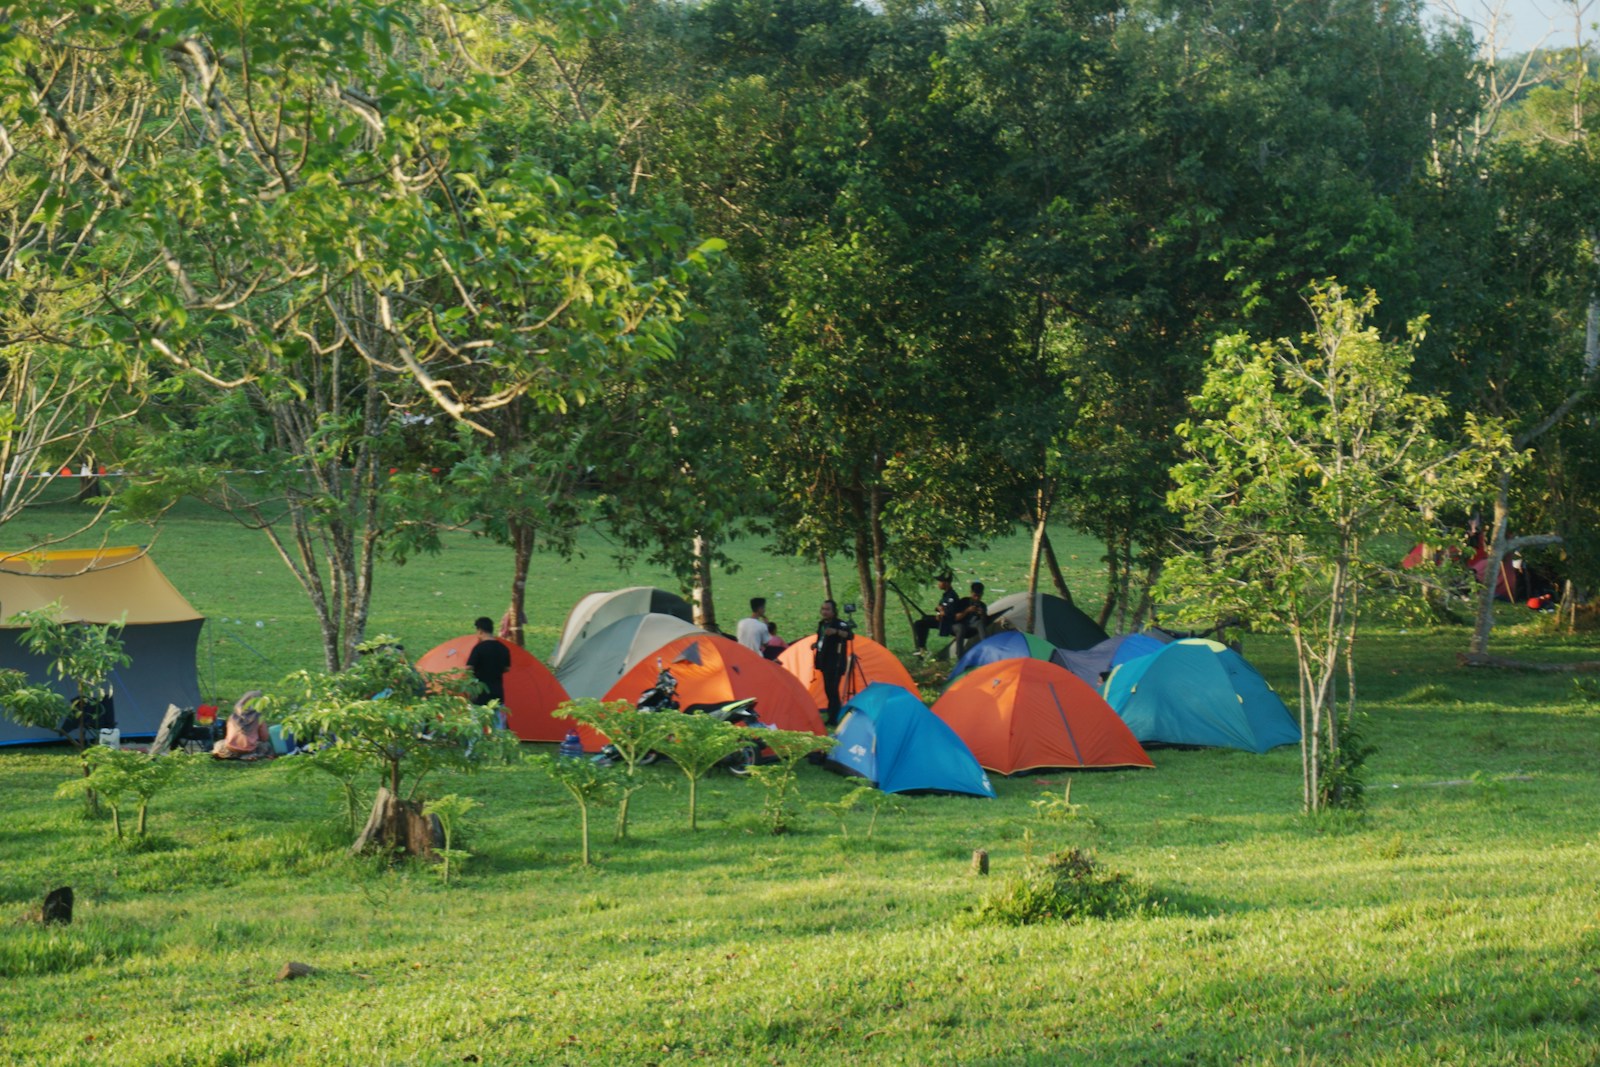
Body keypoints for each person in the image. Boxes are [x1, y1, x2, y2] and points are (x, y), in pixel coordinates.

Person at [465, 616, 511, 728]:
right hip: (497, 690)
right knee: (498, 722)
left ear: (480, 631)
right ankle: (499, 743)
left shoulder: (479, 648)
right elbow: (507, 669)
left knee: (475, 721)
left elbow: (469, 668)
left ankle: (472, 745)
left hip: (480, 691)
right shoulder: (503, 648)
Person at [813, 600, 853, 727]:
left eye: (828, 609)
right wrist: (816, 645)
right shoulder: (821, 624)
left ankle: (833, 717)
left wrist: (836, 632)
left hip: (835, 662)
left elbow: (850, 636)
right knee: (828, 690)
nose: (825, 612)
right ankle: (831, 714)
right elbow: (821, 639)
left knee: (833, 690)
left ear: (834, 611)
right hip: (824, 661)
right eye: (823, 609)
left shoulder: (839, 623)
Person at [213, 690, 272, 760]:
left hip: (230, 748)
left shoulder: (232, 717)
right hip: (249, 749)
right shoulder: (259, 718)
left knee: (219, 744)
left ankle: (223, 754)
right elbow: (264, 737)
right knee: (266, 745)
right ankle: (249, 756)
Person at [911, 573, 960, 657]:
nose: (938, 584)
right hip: (942, 620)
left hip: (947, 623)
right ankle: (922, 648)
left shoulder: (951, 596)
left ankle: (922, 649)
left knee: (919, 624)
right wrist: (939, 611)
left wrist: (941, 611)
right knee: (925, 618)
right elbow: (941, 608)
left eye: (940, 582)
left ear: (946, 583)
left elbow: (949, 613)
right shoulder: (946, 595)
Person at [951, 581, 988, 660]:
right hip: (959, 624)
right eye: (975, 595)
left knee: (980, 623)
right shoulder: (964, 601)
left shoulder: (982, 605)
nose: (976, 598)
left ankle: (986, 648)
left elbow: (985, 623)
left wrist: (982, 614)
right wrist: (967, 611)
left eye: (979, 596)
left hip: (972, 627)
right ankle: (960, 655)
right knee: (960, 628)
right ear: (971, 593)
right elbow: (955, 618)